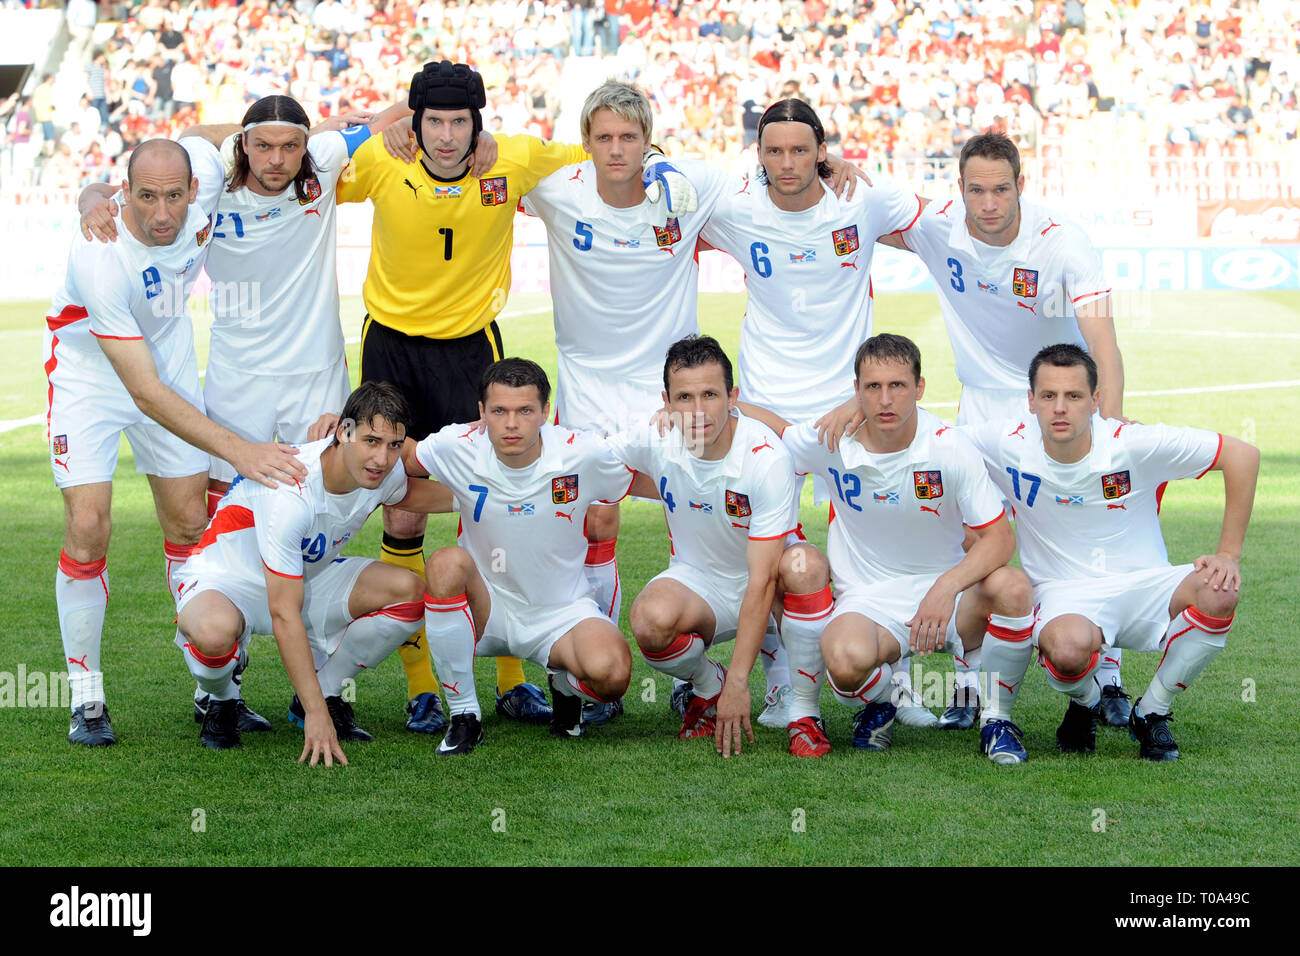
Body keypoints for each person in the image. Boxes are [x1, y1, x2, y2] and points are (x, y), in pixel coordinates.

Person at [76, 94, 417, 731]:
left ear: (306, 144)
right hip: (237, 385)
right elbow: (174, 145)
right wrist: (92, 192)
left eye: (291, 145)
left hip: (317, 380)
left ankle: (324, 690)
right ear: (244, 144)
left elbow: (398, 112)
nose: (278, 159)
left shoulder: (324, 159)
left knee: (328, 509)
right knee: (219, 529)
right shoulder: (209, 179)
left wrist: (453, 130)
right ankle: (218, 684)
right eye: (263, 144)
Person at [336, 60, 592, 729]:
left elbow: (604, 149)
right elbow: (293, 171)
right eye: (433, 122)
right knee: (402, 512)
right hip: (391, 350)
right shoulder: (381, 160)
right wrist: (377, 125)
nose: (447, 136)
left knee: (492, 511)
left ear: (479, 123)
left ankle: (510, 678)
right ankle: (422, 686)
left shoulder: (512, 160)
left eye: (459, 122)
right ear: (415, 122)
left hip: (473, 352)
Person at [49, 138, 305, 746]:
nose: (162, 214)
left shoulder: (206, 174)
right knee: (88, 525)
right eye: (145, 197)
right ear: (124, 194)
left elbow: (237, 132)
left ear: (195, 189)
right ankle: (86, 697)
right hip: (90, 377)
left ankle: (213, 687)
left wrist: (340, 123)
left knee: (192, 522)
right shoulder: (100, 253)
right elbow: (144, 393)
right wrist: (240, 451)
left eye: (173, 196)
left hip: (168, 356)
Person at [876, 130, 1129, 729]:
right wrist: (828, 167)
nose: (988, 204)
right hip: (981, 411)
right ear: (959, 189)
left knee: (1084, 529)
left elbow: (1103, 341)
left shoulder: (1062, 242)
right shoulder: (940, 226)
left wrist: (1109, 428)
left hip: (1053, 403)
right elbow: (861, 216)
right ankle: (969, 684)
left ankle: (1108, 675)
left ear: (1022, 186)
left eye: (1000, 190)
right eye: (976, 191)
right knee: (974, 540)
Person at [741, 334, 1036, 762]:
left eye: (897, 385)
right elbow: (778, 431)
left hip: (952, 601)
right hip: (870, 600)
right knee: (844, 662)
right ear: (856, 391)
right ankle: (885, 697)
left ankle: (997, 720)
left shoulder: (949, 446)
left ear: (920, 388)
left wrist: (946, 587)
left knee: (1013, 587)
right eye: (872, 387)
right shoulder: (831, 440)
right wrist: (716, 407)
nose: (885, 399)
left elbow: (1000, 538)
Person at [963, 344, 1258, 761]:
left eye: (1074, 396)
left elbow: (1242, 455)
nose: (1060, 408)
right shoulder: (1006, 442)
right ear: (1030, 401)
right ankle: (1087, 701)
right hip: (1064, 593)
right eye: (1048, 396)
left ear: (1095, 400)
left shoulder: (1133, 443)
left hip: (1146, 585)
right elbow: (935, 446)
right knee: (1067, 652)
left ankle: (1151, 711)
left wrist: (1229, 554)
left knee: (1220, 590)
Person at [175, 382, 452, 762]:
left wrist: (492, 494)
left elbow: (411, 495)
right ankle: (221, 699)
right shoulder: (290, 490)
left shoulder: (379, 472)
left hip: (305, 577)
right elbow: (284, 613)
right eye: (371, 441)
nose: (382, 458)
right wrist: (317, 717)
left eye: (394, 445)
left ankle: (325, 690)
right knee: (214, 634)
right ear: (344, 432)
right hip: (226, 582)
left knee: (411, 593)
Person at [408, 359, 636, 754]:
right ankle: (465, 716)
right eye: (499, 411)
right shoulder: (455, 445)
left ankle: (564, 685)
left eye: (525, 411)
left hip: (560, 612)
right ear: (482, 412)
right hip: (485, 607)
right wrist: (337, 442)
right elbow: (394, 461)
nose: (511, 424)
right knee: (445, 563)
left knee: (613, 674)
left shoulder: (581, 452)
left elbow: (651, 473)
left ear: (545, 412)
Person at [614, 336, 820, 758]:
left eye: (709, 395)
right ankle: (710, 685)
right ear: (666, 402)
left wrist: (742, 683)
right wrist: (486, 439)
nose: (697, 410)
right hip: (701, 584)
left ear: (733, 397)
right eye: (684, 397)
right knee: (649, 621)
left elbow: (762, 580)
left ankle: (804, 711)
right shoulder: (655, 437)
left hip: (768, 582)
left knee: (805, 566)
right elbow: (583, 460)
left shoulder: (765, 456)